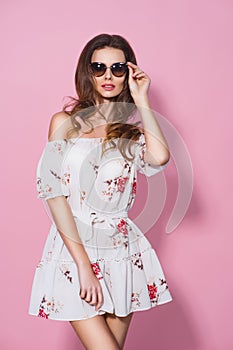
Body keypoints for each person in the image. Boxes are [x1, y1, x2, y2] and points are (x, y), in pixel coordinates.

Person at [28, 33, 173, 350]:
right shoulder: (64, 123)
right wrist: (83, 265)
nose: (108, 75)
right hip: (73, 249)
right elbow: (53, 193)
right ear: (87, 71)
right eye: (99, 67)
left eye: (118, 68)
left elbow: (160, 157)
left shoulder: (132, 135)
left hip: (122, 250)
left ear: (129, 73)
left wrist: (143, 98)